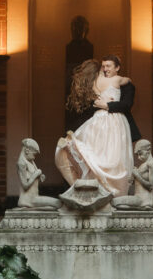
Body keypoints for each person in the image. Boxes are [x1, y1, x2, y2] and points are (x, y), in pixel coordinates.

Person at [55, 55, 137, 197]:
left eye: (108, 66)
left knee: (111, 154)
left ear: (117, 67)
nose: (105, 69)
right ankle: (100, 187)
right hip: (104, 122)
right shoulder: (116, 80)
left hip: (111, 121)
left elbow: (126, 105)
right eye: (103, 66)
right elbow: (125, 81)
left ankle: (109, 188)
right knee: (101, 153)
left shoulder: (100, 83)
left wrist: (107, 105)